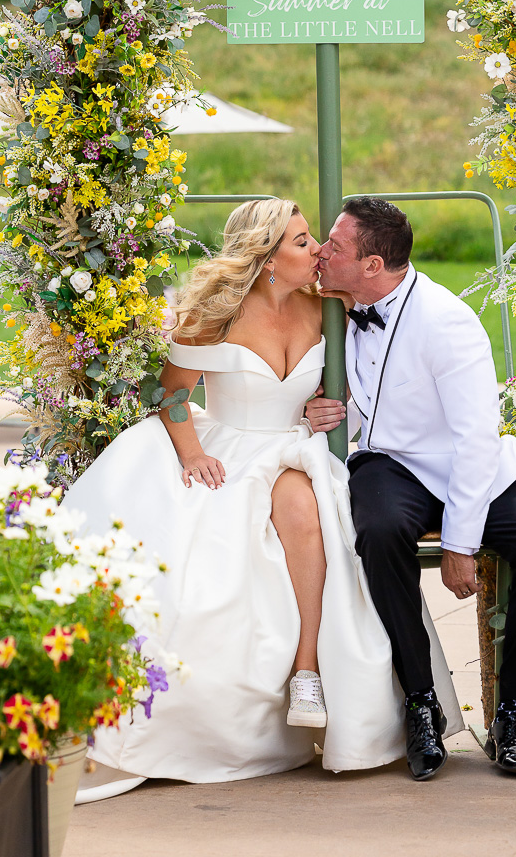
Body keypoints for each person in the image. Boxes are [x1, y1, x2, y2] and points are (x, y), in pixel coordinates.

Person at [65, 198, 462, 800]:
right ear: (268, 257)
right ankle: (235, 701)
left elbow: (357, 385)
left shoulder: (331, 308)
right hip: (229, 445)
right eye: (304, 242)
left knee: (304, 507)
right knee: (205, 568)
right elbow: (172, 395)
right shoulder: (214, 314)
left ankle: (309, 670)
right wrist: (194, 454)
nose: (320, 252)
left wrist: (331, 409)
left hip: (295, 447)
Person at [310, 196, 516, 781]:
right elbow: (375, 402)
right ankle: (420, 701)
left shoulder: (448, 322)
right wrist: (334, 413)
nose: (324, 252)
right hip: (392, 464)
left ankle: (512, 709)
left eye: (337, 246)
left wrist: (459, 544)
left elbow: (477, 440)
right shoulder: (337, 305)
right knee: (377, 531)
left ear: (373, 265)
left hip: (468, 467)